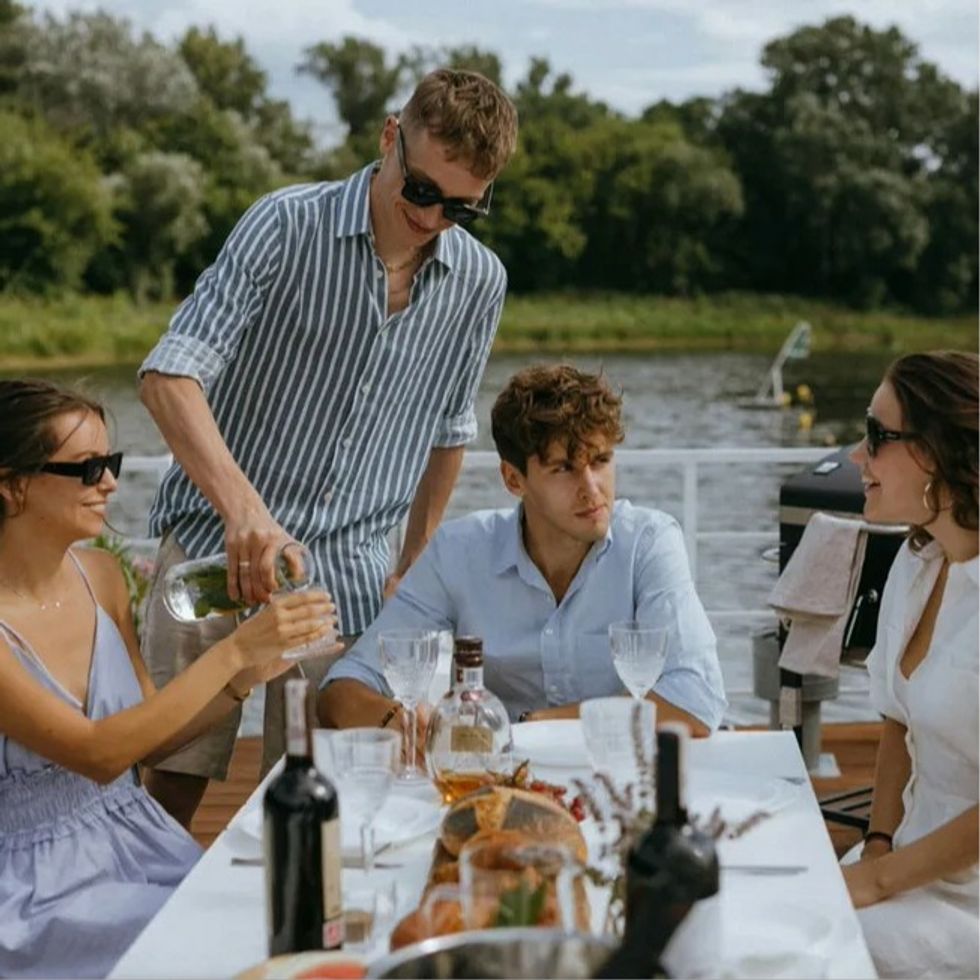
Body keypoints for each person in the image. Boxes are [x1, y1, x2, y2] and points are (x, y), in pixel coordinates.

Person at [137, 68, 519, 826]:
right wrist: (246, 511)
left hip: (349, 575)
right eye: (421, 192)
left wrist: (412, 568)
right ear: (389, 138)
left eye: (461, 208)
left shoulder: (481, 281)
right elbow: (168, 375)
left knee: (340, 805)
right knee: (168, 788)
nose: (434, 218)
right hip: (219, 553)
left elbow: (449, 431)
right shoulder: (283, 224)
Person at [0, 380, 337, 979]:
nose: (109, 482)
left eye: (112, 462)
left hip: (133, 839)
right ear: (10, 484)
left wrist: (249, 677)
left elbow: (147, 740)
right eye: (87, 468)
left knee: (300, 921)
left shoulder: (101, 576)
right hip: (33, 889)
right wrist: (232, 652)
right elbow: (100, 755)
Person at [320, 364, 727, 736]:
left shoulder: (649, 542)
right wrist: (397, 720)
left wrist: (536, 725)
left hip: (623, 774)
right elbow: (340, 692)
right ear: (513, 479)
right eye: (564, 468)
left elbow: (696, 698)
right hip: (502, 781)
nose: (591, 488)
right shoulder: (459, 551)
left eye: (601, 460)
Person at [842, 351, 978, 979]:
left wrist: (876, 883)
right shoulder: (918, 562)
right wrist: (876, 844)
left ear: (937, 451)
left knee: (809, 944)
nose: (855, 456)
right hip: (902, 863)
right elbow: (897, 721)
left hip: (967, 901)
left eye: (876, 435)